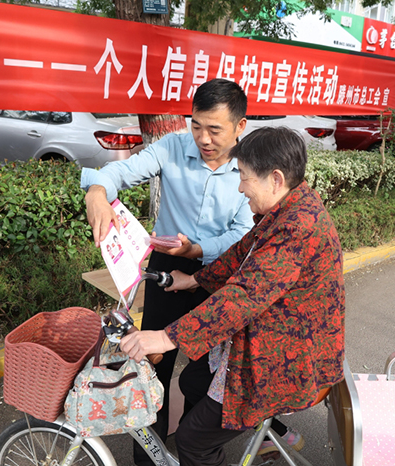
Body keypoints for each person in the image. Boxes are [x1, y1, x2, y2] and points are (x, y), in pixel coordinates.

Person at [120, 126, 346, 466]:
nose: (240, 188)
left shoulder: (298, 227)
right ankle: (242, 433)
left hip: (288, 359)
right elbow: (242, 253)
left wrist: (168, 337)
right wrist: (194, 279)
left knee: (192, 440)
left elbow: (243, 297)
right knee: (195, 381)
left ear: (275, 178)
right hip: (279, 340)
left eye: (244, 178)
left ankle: (213, 445)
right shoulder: (290, 207)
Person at [81, 79, 255, 464]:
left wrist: (199, 248)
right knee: (150, 368)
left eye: (215, 129)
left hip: (217, 276)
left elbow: (242, 234)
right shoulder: (174, 147)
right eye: (196, 125)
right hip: (166, 270)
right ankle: (149, 459)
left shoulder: (250, 165)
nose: (203, 139)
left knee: (204, 377)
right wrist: (97, 191)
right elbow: (119, 174)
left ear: (240, 127)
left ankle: (194, 449)